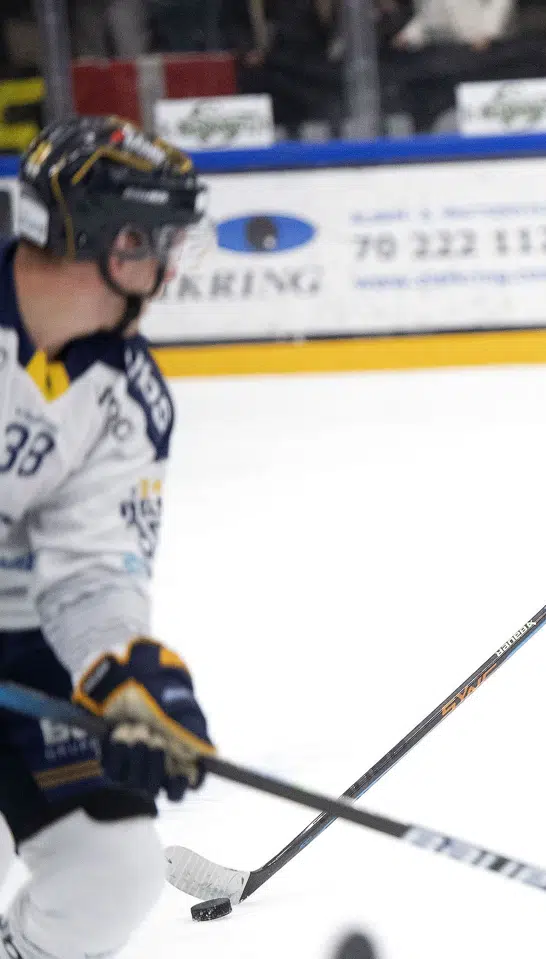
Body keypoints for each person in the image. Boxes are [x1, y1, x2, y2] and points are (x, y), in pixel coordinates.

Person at [0, 116, 213, 957]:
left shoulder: (129, 397)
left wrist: (125, 672)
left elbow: (90, 570)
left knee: (113, 870)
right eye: (149, 243)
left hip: (18, 640)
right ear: (90, 235)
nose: (164, 272)